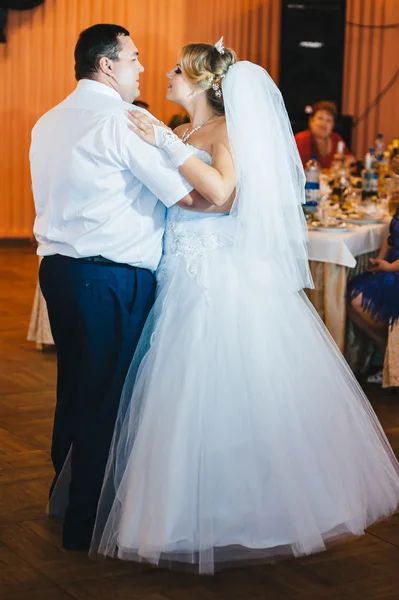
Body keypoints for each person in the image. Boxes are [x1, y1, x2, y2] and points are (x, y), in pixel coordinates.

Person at [87, 39, 399, 575]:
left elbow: (225, 194)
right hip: (178, 270)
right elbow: (179, 193)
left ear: (203, 82)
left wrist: (164, 140)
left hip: (218, 277)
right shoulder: (183, 130)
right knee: (175, 395)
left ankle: (244, 512)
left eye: (176, 70)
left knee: (222, 389)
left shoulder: (222, 131)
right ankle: (170, 515)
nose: (165, 74)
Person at [30, 23, 217, 551]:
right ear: (107, 65)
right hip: (110, 278)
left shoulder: (49, 120)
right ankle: (85, 522)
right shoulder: (124, 121)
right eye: (134, 58)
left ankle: (64, 495)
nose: (142, 68)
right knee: (105, 396)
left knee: (74, 389)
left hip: (59, 272)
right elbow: (188, 197)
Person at [347, 209, 399, 383]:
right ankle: (389, 360)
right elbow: (390, 238)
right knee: (350, 302)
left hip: (395, 269)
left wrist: (390, 267)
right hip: (391, 264)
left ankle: (393, 361)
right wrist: (379, 260)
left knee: (358, 299)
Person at [295, 100, 355, 169]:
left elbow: (351, 163)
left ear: (333, 125)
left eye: (329, 120)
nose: (324, 124)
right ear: (311, 121)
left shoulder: (336, 138)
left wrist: (347, 162)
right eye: (320, 118)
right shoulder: (301, 139)